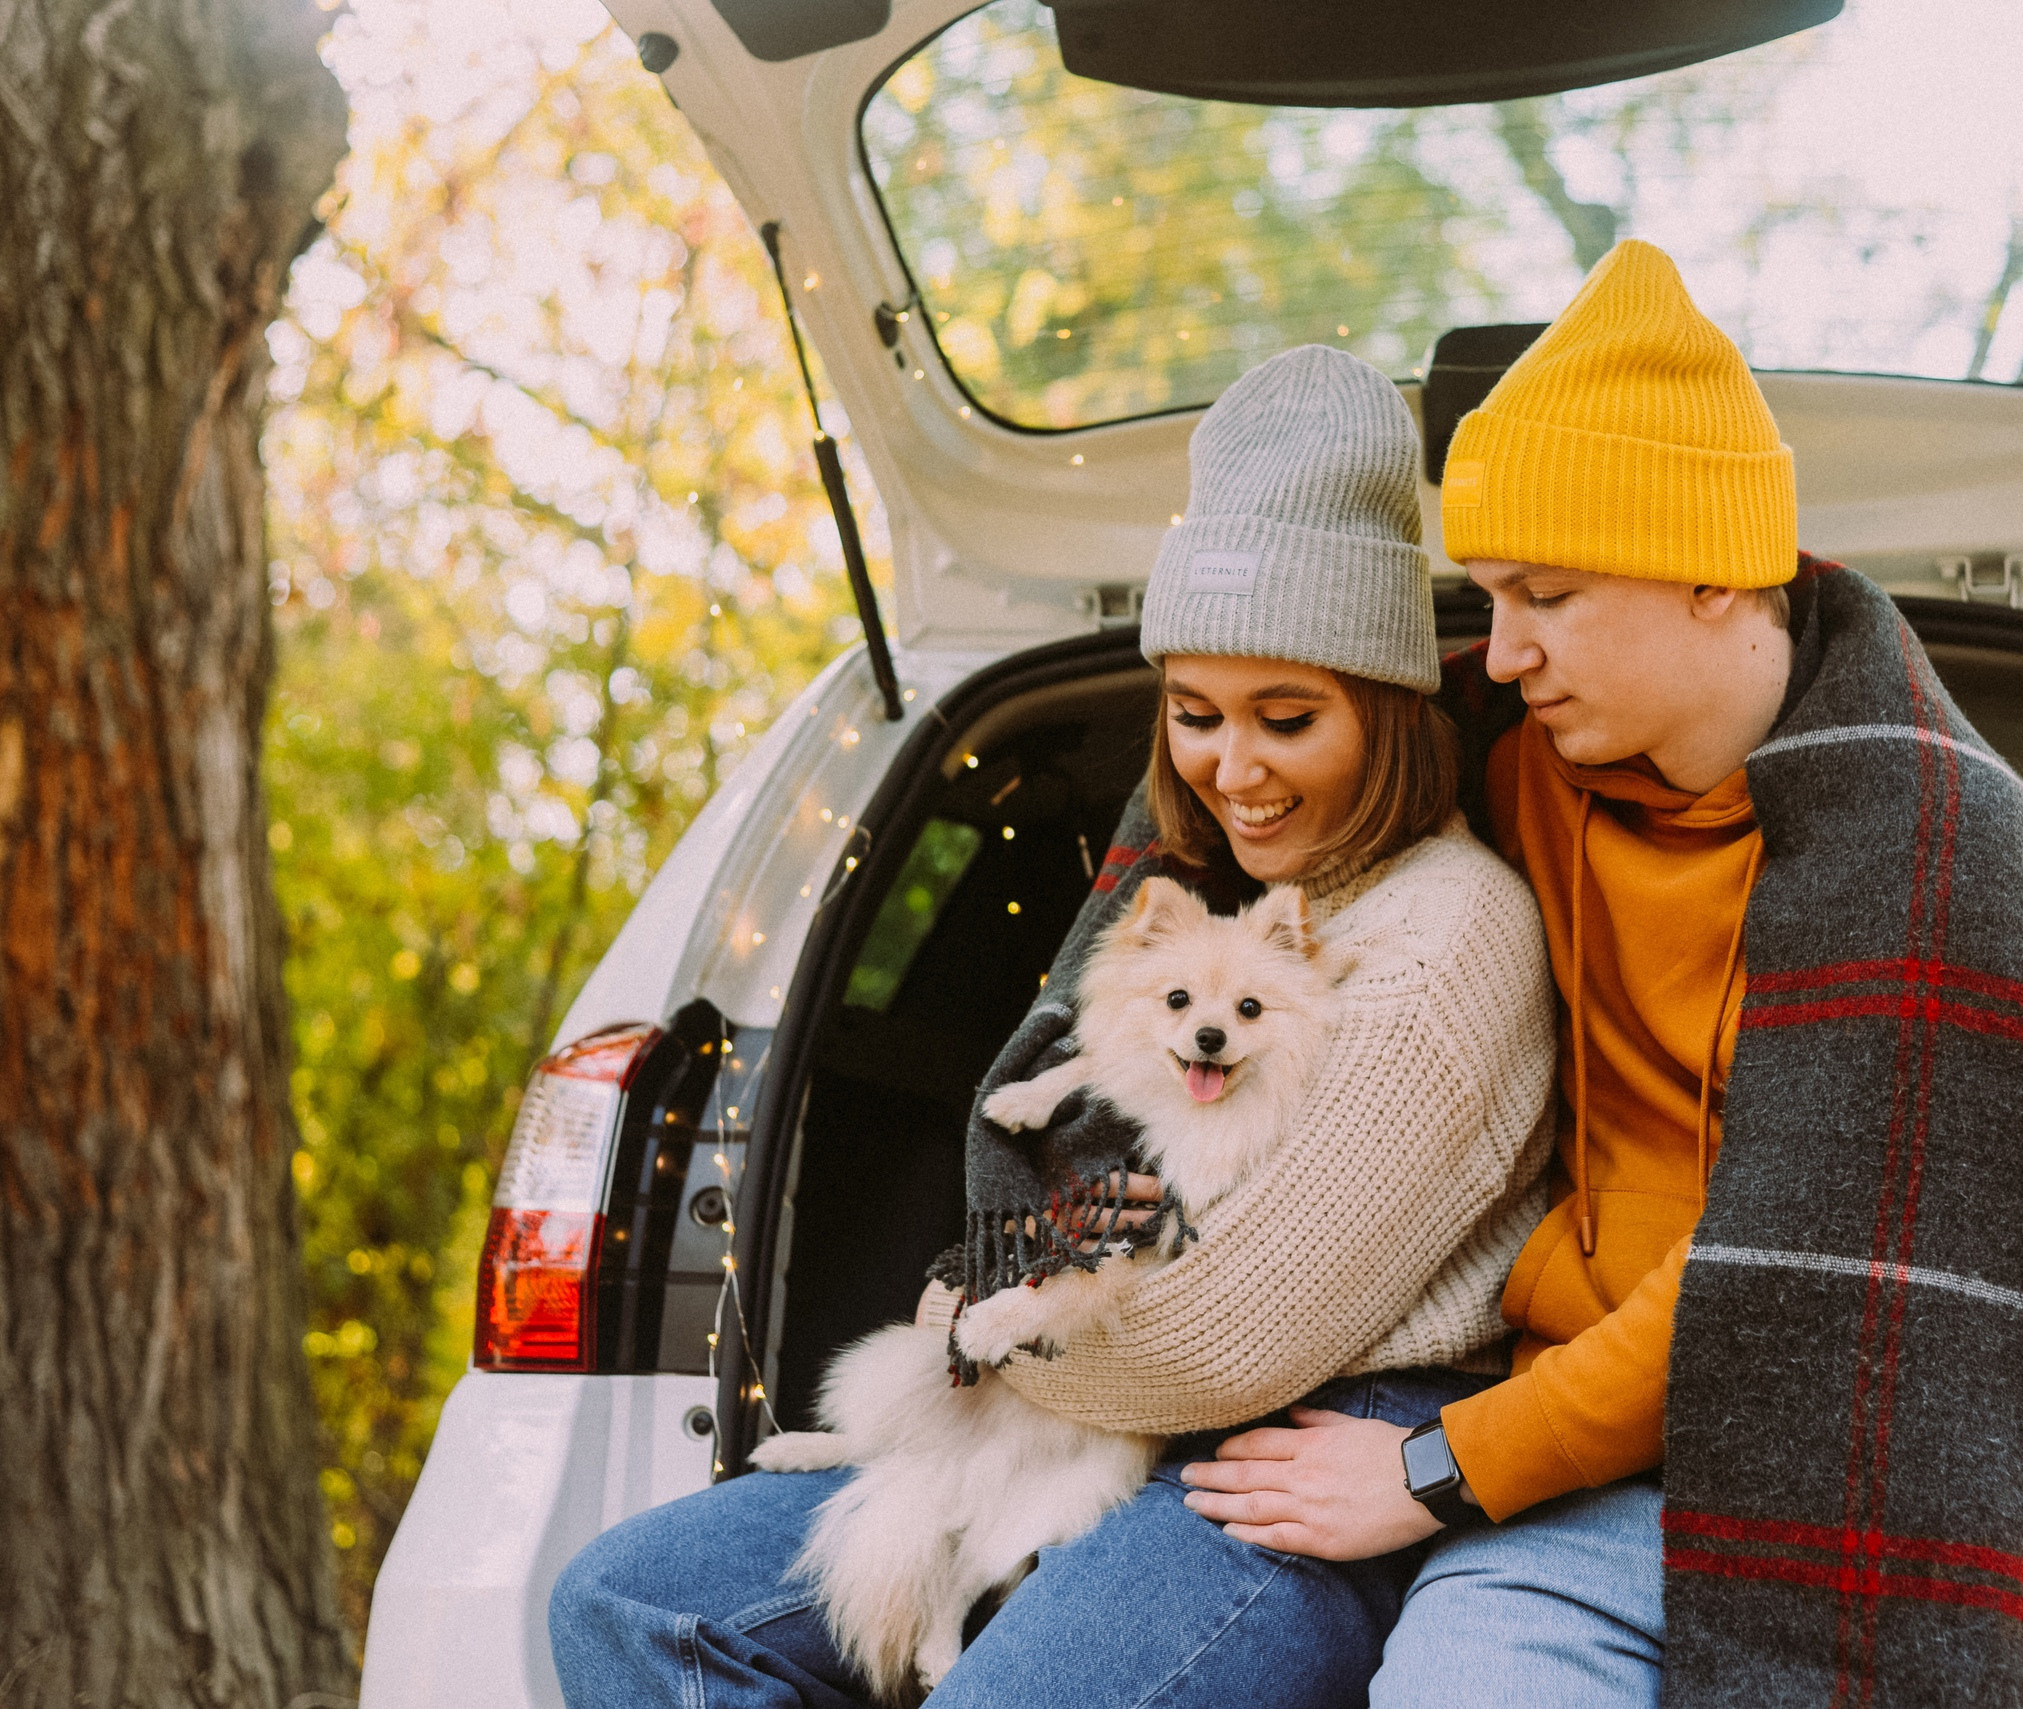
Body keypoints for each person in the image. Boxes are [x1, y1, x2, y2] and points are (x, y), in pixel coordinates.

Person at [1186, 242, 2023, 1708]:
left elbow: (1769, 1267)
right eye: (1488, 592)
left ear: (1720, 576)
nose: (1506, 645)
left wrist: (1435, 1467)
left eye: (1546, 591)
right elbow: (1264, 764)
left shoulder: (1938, 833)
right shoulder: (1522, 749)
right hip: (1570, 1436)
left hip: (1858, 1468)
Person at [545, 343, 1559, 1709]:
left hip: (1315, 1443)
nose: (1234, 767)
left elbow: (1232, 1332)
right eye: (1196, 714)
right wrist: (994, 1322)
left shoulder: (1455, 930)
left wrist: (980, 1325)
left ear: (1388, 707)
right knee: (631, 1605)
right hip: (1068, 1408)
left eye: (1288, 716)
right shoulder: (1200, 902)